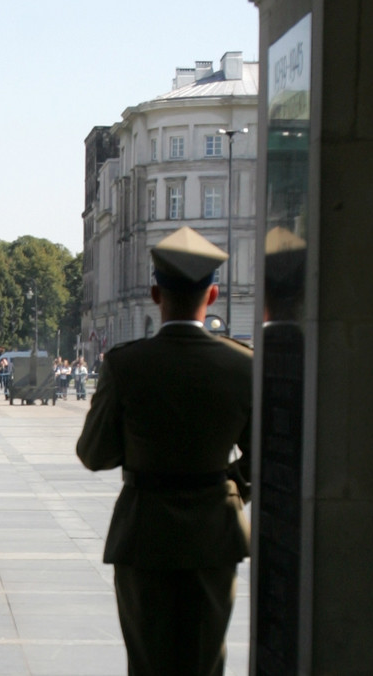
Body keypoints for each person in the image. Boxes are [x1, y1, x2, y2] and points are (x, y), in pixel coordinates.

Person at [76, 226, 252, 676]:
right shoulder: (241, 365)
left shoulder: (126, 364)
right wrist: (230, 485)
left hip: (145, 532)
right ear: (211, 295)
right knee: (205, 662)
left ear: (156, 293)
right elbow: (265, 454)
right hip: (213, 533)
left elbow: (94, 453)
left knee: (148, 663)